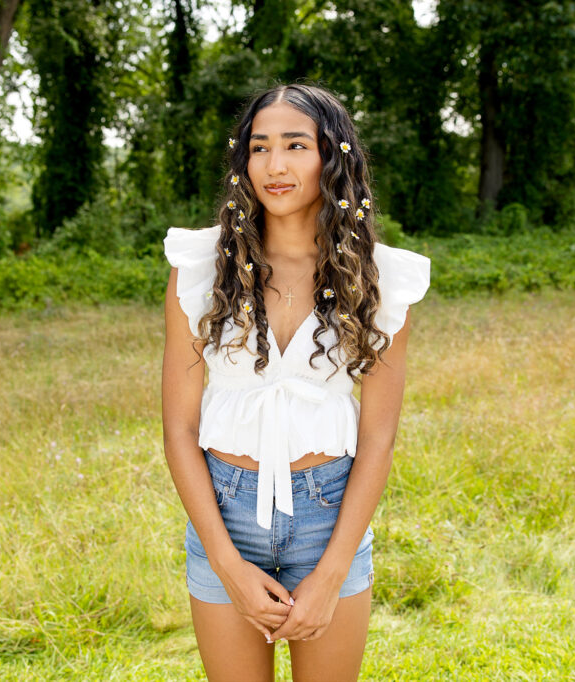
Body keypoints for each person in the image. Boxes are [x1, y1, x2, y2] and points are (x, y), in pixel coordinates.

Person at [161, 82, 430, 682]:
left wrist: (332, 573)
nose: (274, 165)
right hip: (224, 513)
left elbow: (378, 437)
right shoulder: (201, 267)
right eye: (259, 147)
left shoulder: (380, 279)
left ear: (331, 157)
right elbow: (179, 429)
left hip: (328, 515)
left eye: (295, 145)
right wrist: (227, 564)